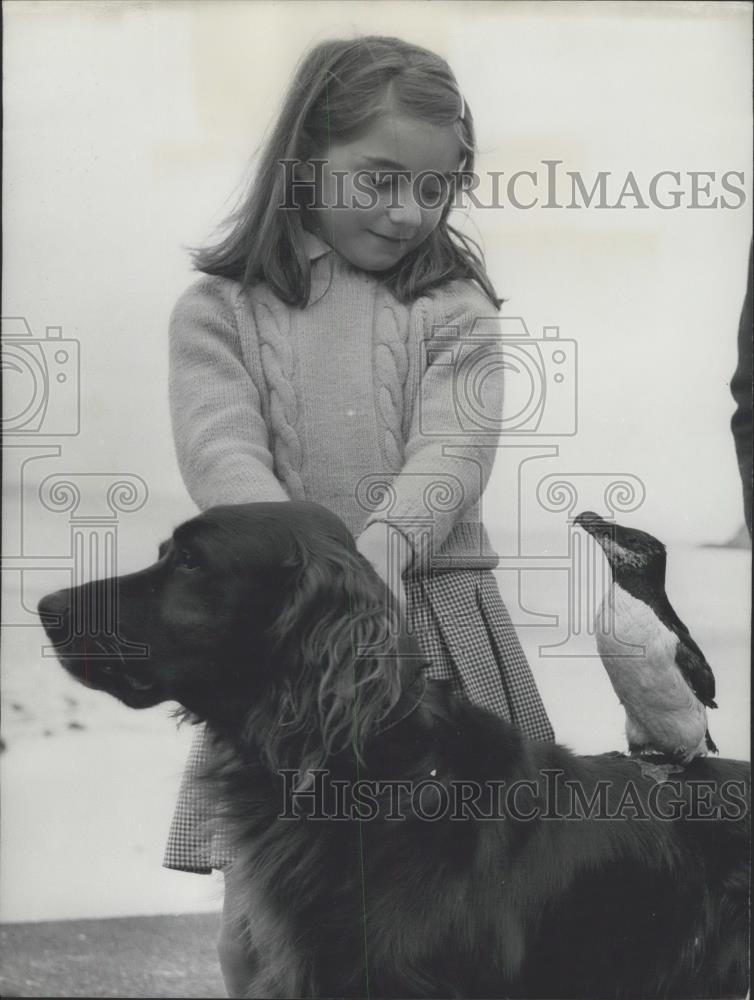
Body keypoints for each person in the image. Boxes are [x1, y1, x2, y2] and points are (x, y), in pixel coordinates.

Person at [163, 35, 555, 997]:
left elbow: (455, 449)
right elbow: (224, 457)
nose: (407, 211)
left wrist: (380, 546)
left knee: (474, 910)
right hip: (290, 645)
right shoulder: (218, 311)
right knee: (267, 933)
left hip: (440, 627)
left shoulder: (453, 303)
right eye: (380, 179)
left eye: (435, 187)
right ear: (304, 161)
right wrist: (311, 574)